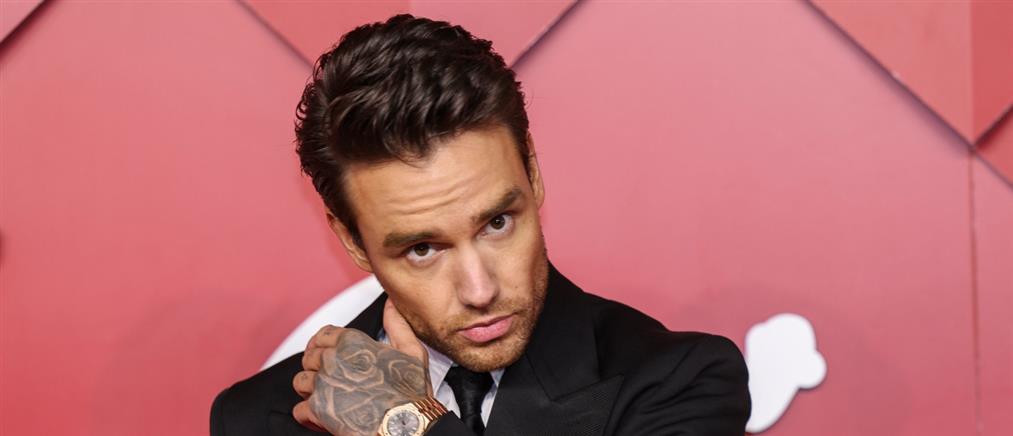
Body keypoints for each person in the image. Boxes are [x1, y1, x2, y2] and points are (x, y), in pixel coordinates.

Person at [210, 14, 750, 436]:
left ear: (532, 173)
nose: (480, 290)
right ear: (352, 240)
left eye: (497, 223)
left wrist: (403, 423)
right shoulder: (258, 419)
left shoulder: (678, 381)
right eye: (423, 249)